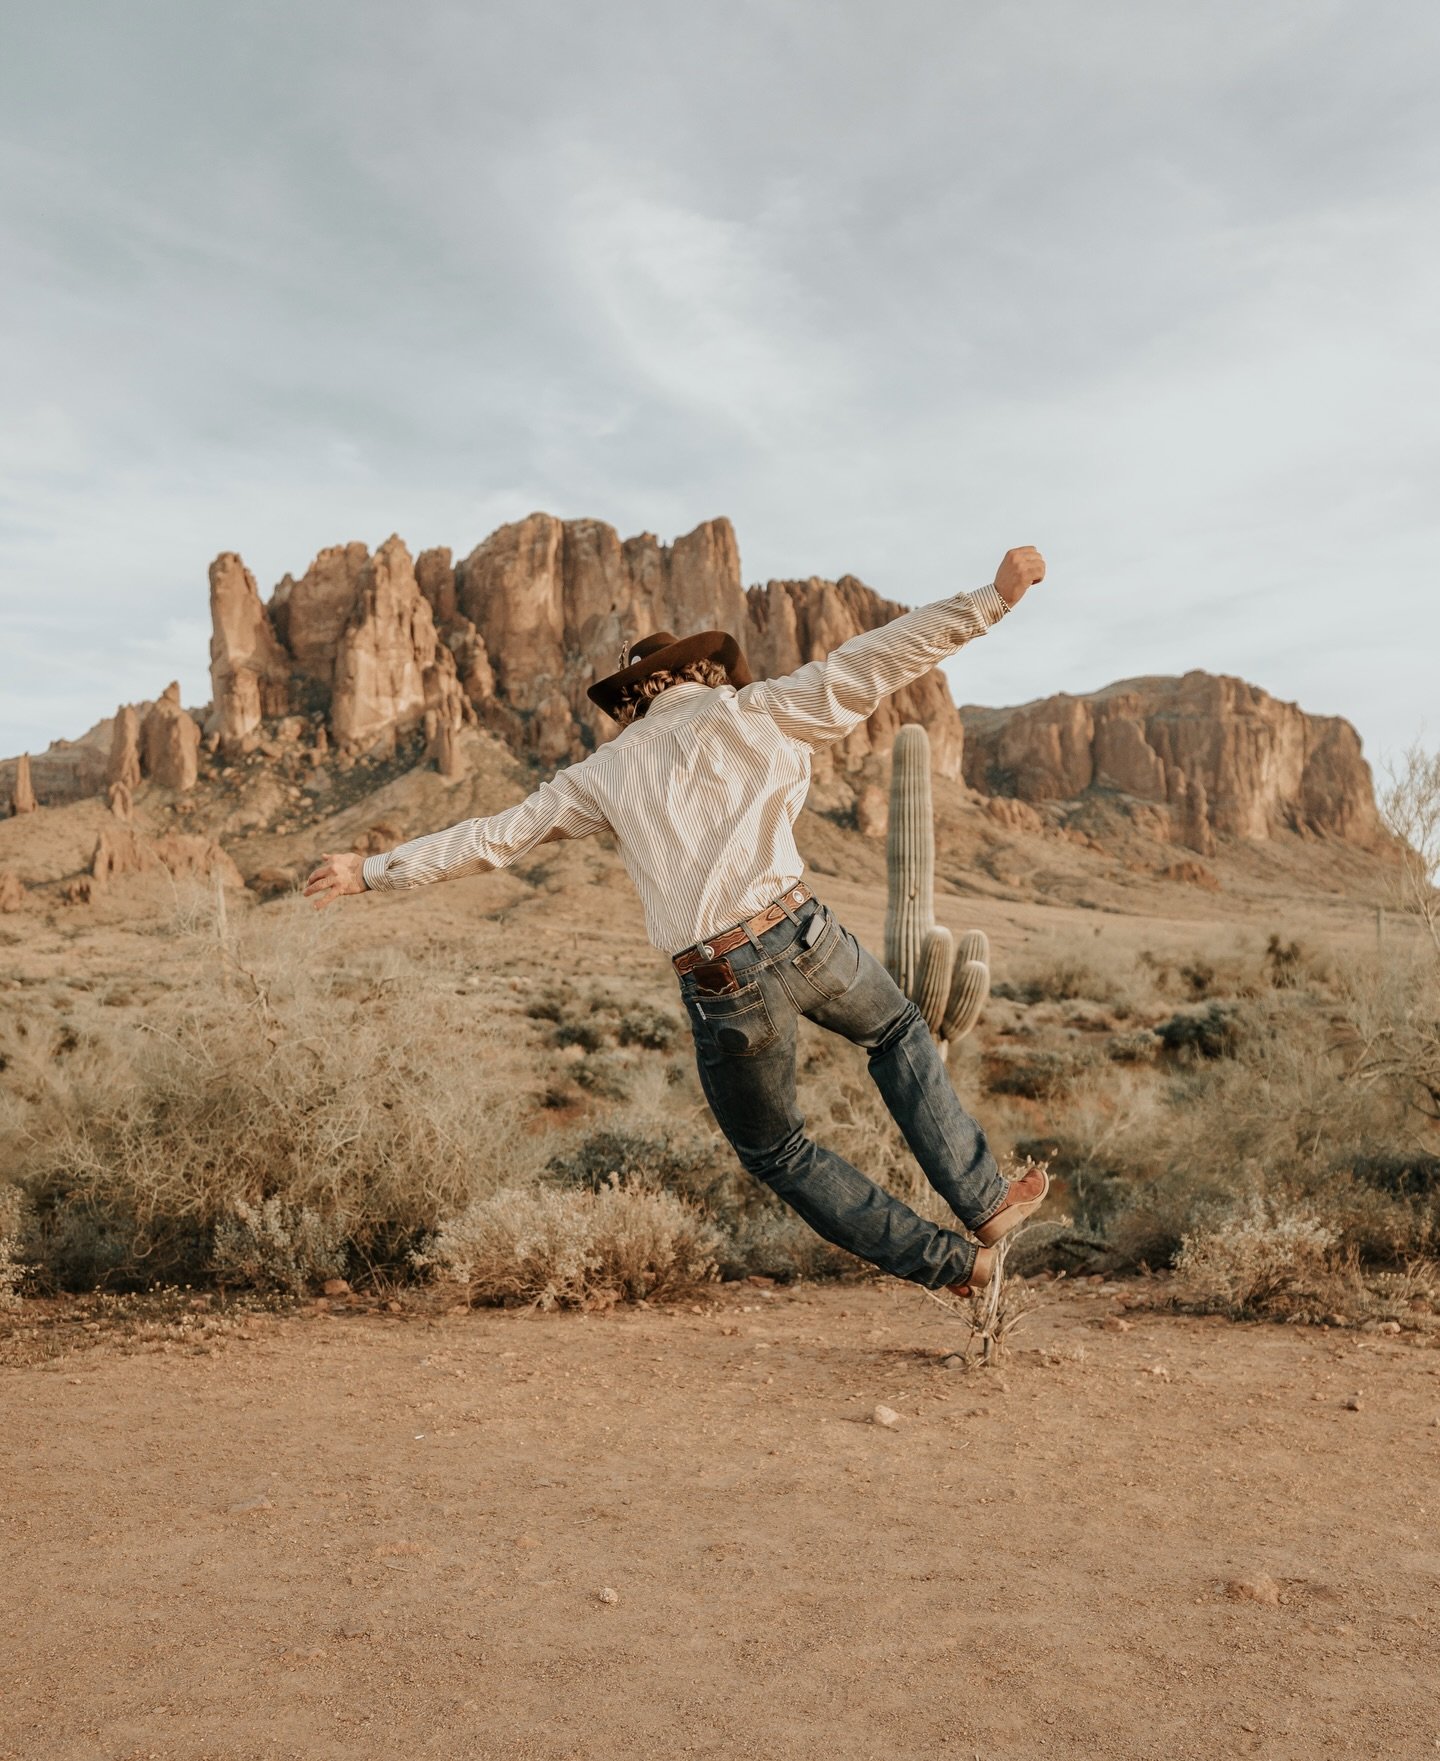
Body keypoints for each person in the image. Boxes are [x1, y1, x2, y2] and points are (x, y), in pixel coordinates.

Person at [304, 545, 1050, 1296]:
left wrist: (371, 871)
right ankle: (984, 1203)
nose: (712, 677)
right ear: (686, 677)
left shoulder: (602, 774)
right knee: (897, 1032)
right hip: (806, 934)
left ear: (636, 697)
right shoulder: (754, 709)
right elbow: (872, 661)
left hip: (723, 980)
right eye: (702, 670)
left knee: (778, 1152)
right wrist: (990, 601)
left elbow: (496, 837)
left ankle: (958, 1265)